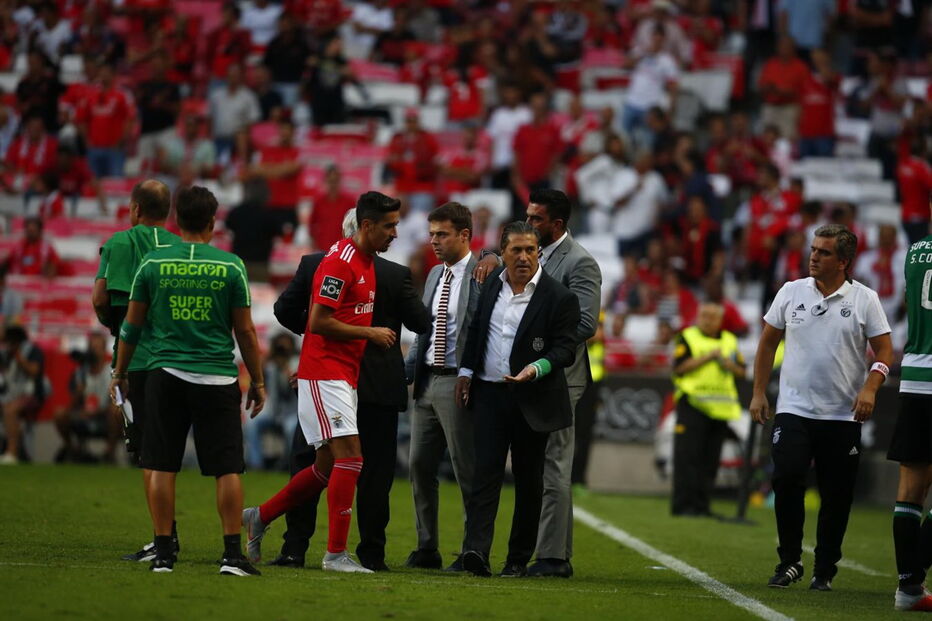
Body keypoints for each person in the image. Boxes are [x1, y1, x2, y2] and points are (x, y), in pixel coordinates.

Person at [241, 192, 402, 574]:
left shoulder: (367, 263)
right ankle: (335, 554)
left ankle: (259, 516)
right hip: (327, 374)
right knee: (352, 458)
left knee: (326, 467)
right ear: (367, 226)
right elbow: (317, 321)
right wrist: (371, 335)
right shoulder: (340, 263)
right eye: (389, 226)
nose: (395, 233)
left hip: (338, 374)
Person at [109, 185, 266, 576]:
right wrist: (258, 381)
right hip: (216, 377)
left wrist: (120, 372)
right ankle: (232, 555)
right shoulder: (231, 266)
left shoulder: (152, 264)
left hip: (165, 374)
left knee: (161, 465)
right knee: (227, 468)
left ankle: (163, 554)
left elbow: (131, 327)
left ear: (176, 221)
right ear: (213, 222)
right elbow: (245, 332)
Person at [750, 224, 893, 591]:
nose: (813, 256)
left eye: (824, 252)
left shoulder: (865, 299)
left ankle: (824, 569)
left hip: (843, 415)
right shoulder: (790, 291)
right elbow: (767, 344)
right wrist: (759, 393)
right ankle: (790, 561)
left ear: (843, 261)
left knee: (836, 494)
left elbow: (886, 351)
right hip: (794, 409)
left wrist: (870, 388)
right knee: (786, 478)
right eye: (814, 249)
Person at [455, 221, 580, 577]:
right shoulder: (493, 283)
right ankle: (476, 551)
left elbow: (565, 349)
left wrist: (536, 368)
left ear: (539, 252)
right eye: (516, 250)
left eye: (530, 250)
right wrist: (466, 372)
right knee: (485, 475)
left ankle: (516, 559)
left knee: (528, 481)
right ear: (503, 252)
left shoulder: (559, 297)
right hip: (490, 393)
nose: (524, 257)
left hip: (532, 396)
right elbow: (477, 328)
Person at [498, 189, 601, 578]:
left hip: (561, 377)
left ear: (557, 225)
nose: (529, 223)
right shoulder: (527, 254)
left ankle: (553, 556)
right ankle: (536, 550)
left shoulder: (580, 263)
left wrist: (545, 354)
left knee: (555, 462)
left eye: (536, 219)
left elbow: (586, 323)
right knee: (535, 465)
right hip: (524, 376)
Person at [92, 180, 182, 561]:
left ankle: (164, 539)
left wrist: (114, 328)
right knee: (174, 453)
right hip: (182, 359)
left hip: (139, 360)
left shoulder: (119, 243)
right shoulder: (184, 248)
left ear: (134, 209)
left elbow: (101, 298)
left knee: (150, 453)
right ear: (169, 213)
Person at [404, 202, 480, 571]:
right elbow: (424, 329)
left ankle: (472, 549)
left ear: (465, 235)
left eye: (442, 234)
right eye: (432, 234)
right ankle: (426, 546)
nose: (434, 242)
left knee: (466, 468)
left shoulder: (483, 274)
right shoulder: (435, 274)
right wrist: (406, 371)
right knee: (418, 465)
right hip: (427, 381)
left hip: (458, 383)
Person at [888, 204, 932, 611]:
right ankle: (914, 570)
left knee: (910, 488)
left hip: (916, 378)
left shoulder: (915, 251)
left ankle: (908, 590)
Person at [670, 303, 745, 516]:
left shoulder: (729, 340)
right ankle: (683, 506)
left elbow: (741, 371)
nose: (707, 320)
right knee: (687, 458)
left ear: (720, 320)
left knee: (710, 461)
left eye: (712, 317)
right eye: (703, 315)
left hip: (720, 409)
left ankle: (702, 506)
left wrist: (728, 365)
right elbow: (679, 367)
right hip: (692, 405)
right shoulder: (687, 336)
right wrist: (708, 357)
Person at [53, 332, 122, 464]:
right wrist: (79, 393)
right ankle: (72, 449)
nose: (94, 351)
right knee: (59, 413)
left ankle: (109, 453)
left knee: (115, 410)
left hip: (105, 415)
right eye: (92, 347)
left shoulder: (112, 371)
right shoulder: (81, 372)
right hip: (83, 413)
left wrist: (98, 411)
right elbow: (72, 405)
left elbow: (118, 401)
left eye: (97, 348)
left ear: (104, 350)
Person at [0, 325, 46, 464]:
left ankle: (12, 452)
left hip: (31, 395)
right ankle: (18, 449)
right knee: (8, 407)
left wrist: (19, 357)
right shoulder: (5, 353)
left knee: (10, 410)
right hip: (10, 394)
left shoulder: (33, 350)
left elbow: (34, 371)